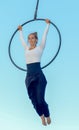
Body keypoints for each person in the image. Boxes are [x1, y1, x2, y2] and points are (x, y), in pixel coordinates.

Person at [18, 19, 51, 126]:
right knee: (33, 100)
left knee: (40, 99)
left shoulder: (40, 47)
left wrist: (47, 25)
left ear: (36, 40)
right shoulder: (26, 49)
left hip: (39, 76)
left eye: (33, 38)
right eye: (29, 38)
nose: (31, 40)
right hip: (29, 77)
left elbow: (45, 36)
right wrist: (20, 31)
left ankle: (47, 115)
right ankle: (41, 117)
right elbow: (22, 40)